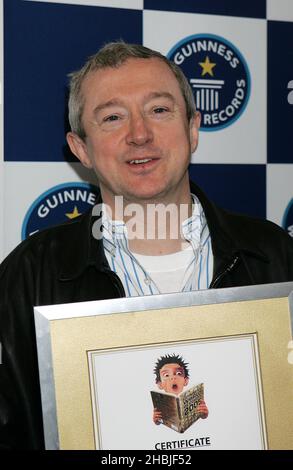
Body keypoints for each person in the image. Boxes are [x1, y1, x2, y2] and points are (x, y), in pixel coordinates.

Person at [0, 41, 293, 449]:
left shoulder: (280, 257)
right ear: (81, 148)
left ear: (192, 128)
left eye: (159, 110)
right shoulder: (26, 276)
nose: (139, 134)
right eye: (113, 117)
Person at [152, 354, 208, 425]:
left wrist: (204, 414)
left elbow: (202, 415)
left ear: (186, 381)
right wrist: (157, 420)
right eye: (166, 375)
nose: (173, 377)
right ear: (159, 384)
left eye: (178, 373)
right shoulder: (159, 403)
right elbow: (158, 421)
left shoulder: (193, 397)